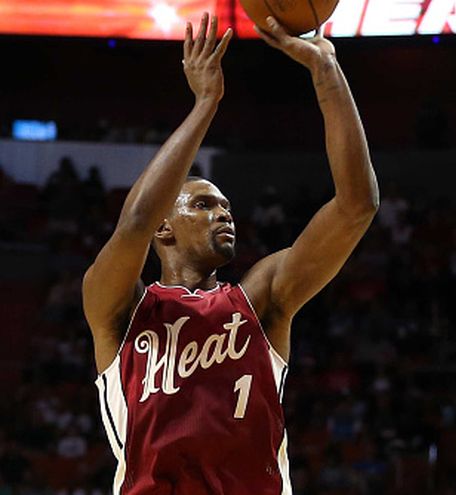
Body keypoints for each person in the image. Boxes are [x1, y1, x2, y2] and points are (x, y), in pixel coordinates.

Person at [82, 13, 378, 494]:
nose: (224, 214)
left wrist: (327, 73)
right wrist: (206, 103)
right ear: (164, 226)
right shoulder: (120, 307)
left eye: (226, 207)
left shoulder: (261, 299)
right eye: (203, 205)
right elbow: (134, 222)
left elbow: (357, 206)